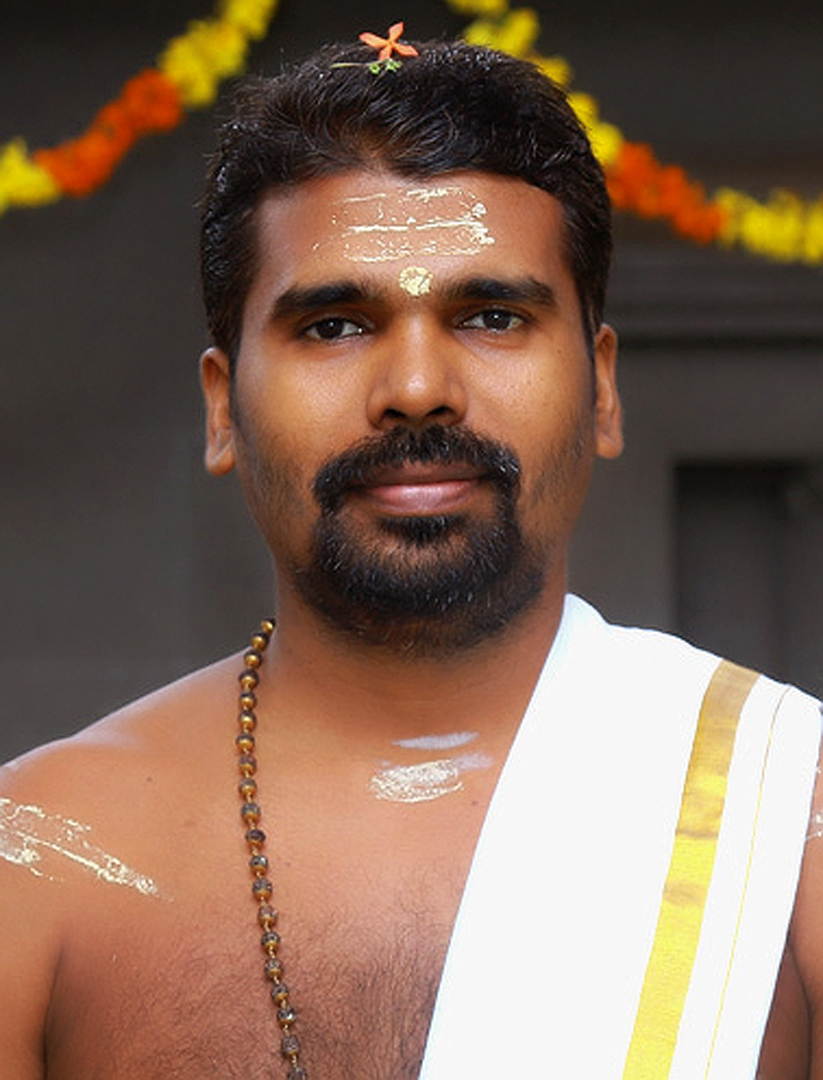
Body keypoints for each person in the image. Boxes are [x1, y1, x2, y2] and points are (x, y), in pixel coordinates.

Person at [0, 33, 820, 1080]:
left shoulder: (787, 818)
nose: (419, 385)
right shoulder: (41, 859)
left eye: (490, 315)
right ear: (221, 409)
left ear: (602, 388)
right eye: (336, 325)